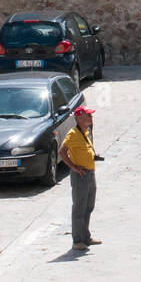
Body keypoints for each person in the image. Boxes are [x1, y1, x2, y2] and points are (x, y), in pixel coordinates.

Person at [61, 105, 101, 250]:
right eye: (88, 115)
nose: (91, 118)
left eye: (90, 115)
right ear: (79, 118)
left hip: (90, 173)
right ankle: (77, 240)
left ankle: (86, 237)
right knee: (79, 207)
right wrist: (73, 167)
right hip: (81, 176)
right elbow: (62, 152)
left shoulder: (85, 132)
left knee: (89, 206)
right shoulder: (73, 134)